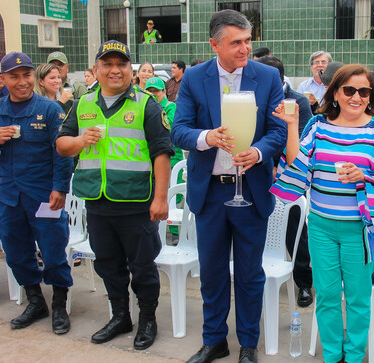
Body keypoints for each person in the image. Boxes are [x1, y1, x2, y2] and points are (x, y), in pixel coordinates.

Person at [171, 9, 287, 363]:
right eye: (236, 42)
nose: (244, 48)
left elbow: (278, 130)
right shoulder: (194, 78)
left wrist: (258, 151)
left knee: (250, 273)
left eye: (248, 40)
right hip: (211, 191)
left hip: (250, 191)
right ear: (215, 44)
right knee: (213, 272)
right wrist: (207, 137)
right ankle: (214, 341)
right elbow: (179, 131)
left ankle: (248, 344)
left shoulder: (266, 76)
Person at [271, 64, 374, 363]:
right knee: (327, 298)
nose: (356, 96)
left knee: (358, 298)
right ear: (336, 93)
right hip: (321, 227)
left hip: (361, 229)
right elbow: (297, 165)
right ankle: (332, 356)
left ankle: (354, 357)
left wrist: (365, 177)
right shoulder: (318, 125)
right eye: (349, 90)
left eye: (364, 91)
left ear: (371, 95)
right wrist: (292, 125)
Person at [56, 40, 173, 350]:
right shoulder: (83, 104)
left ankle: (147, 318)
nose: (114, 70)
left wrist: (161, 198)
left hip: (136, 202)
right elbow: (61, 145)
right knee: (107, 264)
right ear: (96, 69)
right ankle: (120, 316)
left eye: (121, 64)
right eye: (107, 64)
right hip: (97, 201)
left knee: (142, 266)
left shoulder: (146, 104)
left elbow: (162, 153)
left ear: (129, 70)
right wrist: (80, 141)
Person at [0, 52, 73, 334]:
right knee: (15, 252)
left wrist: (59, 188)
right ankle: (35, 300)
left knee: (54, 252)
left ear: (34, 77)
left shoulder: (49, 109)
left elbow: (63, 154)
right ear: (2, 79)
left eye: (26, 75)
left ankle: (58, 305)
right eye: (14, 76)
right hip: (10, 197)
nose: (22, 82)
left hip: (44, 195)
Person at [256, 55, 314, 308]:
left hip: (288, 175)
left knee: (295, 230)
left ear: (278, 78)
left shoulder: (297, 101)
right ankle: (258, 278)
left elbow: (301, 138)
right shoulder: (255, 98)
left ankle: (303, 283)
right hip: (259, 170)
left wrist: (278, 163)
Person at [145, 76, 183, 174]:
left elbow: (167, 129)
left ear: (164, 92)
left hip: (171, 159)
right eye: (150, 91)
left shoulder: (170, 107)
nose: (153, 94)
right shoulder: (143, 108)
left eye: (156, 91)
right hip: (150, 157)